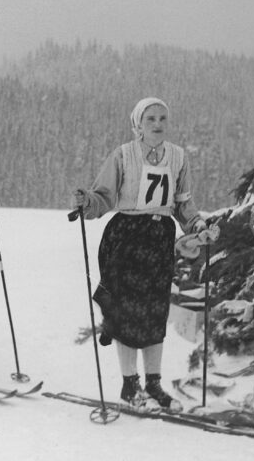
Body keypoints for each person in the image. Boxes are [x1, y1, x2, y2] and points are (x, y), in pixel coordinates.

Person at [73, 97, 218, 413]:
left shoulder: (177, 157)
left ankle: (153, 384)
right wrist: (88, 203)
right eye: (150, 118)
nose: (157, 124)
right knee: (125, 312)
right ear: (137, 124)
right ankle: (130, 387)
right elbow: (103, 196)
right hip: (126, 237)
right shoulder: (123, 155)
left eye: (162, 118)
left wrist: (198, 225)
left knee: (154, 312)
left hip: (159, 238)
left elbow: (183, 203)